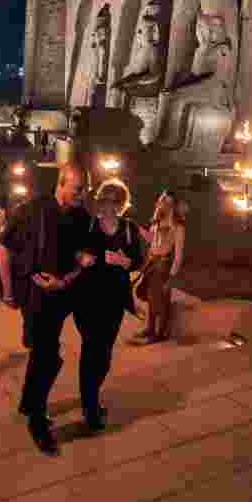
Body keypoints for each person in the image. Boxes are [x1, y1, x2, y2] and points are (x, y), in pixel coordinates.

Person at [0, 162, 94, 455]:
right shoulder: (33, 209)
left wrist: (66, 280)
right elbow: (3, 245)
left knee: (45, 354)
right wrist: (8, 291)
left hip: (62, 295)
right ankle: (37, 419)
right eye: (78, 189)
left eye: (85, 190)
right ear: (61, 183)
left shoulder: (81, 216)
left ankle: (29, 403)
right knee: (47, 356)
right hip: (35, 296)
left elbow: (84, 257)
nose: (82, 195)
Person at [76, 179, 144, 431]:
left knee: (104, 354)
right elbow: (71, 248)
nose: (109, 208)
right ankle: (90, 407)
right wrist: (80, 257)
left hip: (115, 300)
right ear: (99, 202)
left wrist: (125, 262)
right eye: (105, 201)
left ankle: (91, 394)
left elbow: (138, 260)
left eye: (115, 203)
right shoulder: (89, 226)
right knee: (91, 348)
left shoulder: (128, 229)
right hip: (87, 299)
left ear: (122, 205)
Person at [135, 190, 186, 343]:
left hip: (164, 264)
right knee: (151, 297)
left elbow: (178, 255)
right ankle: (150, 329)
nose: (166, 205)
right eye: (164, 201)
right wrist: (137, 229)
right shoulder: (156, 222)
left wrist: (172, 276)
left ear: (174, 205)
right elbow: (151, 241)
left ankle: (160, 333)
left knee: (162, 299)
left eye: (170, 203)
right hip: (152, 262)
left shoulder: (178, 226)